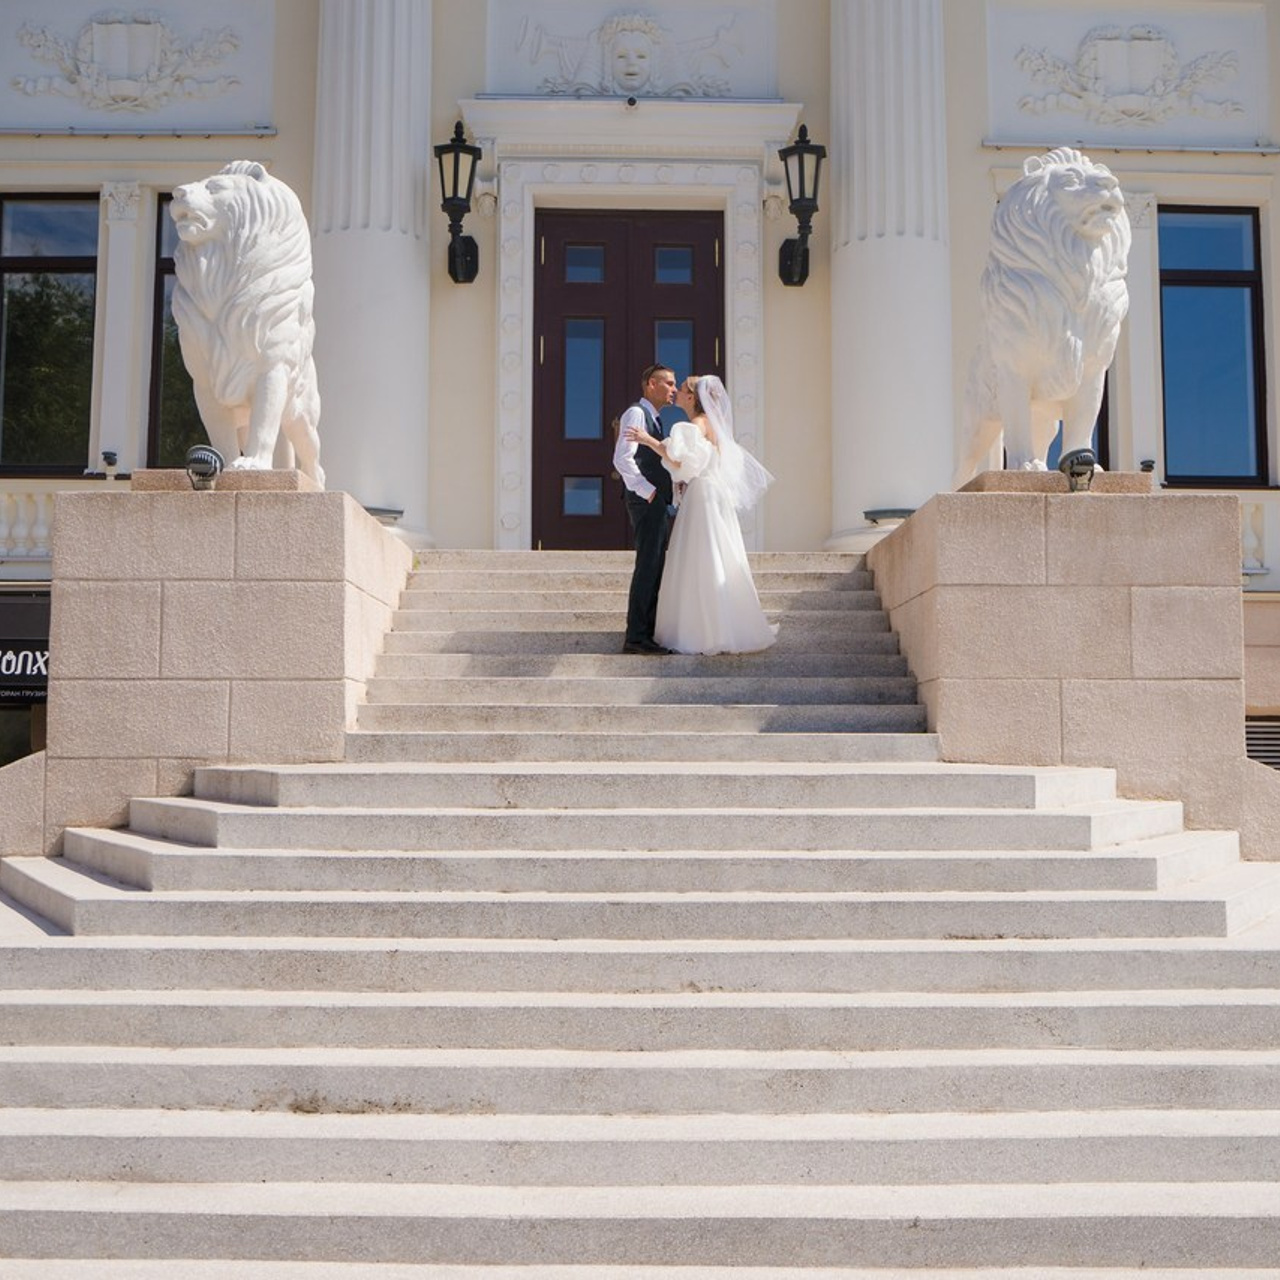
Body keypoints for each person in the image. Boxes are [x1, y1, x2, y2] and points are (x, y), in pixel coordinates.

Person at [625, 374, 777, 655]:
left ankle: (701, 631)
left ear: (692, 398)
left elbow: (682, 462)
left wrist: (648, 441)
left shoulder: (694, 425)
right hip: (715, 496)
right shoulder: (714, 427)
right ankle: (722, 626)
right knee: (716, 556)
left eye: (681, 389)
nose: (677, 393)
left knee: (699, 559)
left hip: (703, 497)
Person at [613, 362, 677, 654]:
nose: (674, 390)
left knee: (655, 566)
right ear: (651, 384)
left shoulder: (655, 419)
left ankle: (645, 634)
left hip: (658, 503)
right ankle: (636, 637)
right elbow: (622, 459)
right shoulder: (636, 413)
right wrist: (647, 491)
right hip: (646, 501)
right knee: (648, 565)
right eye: (669, 383)